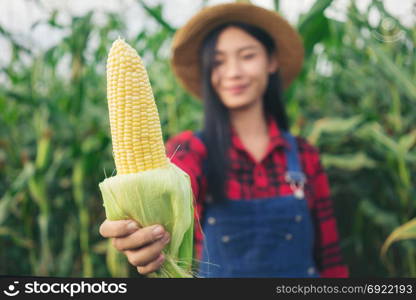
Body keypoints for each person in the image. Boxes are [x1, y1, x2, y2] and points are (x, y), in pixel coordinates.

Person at [99, 2, 349, 278]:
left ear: (272, 61)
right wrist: (142, 233)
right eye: (218, 61)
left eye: (247, 56)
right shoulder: (190, 152)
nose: (233, 72)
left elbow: (331, 259)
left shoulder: (305, 155)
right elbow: (167, 195)